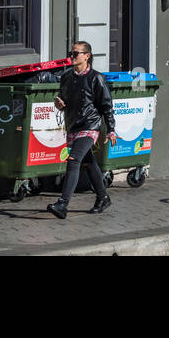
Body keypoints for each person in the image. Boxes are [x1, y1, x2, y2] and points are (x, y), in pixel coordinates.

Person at [47, 42, 117, 219]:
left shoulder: (96, 78)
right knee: (89, 162)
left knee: (74, 160)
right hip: (73, 125)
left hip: (90, 126)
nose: (72, 56)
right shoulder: (66, 77)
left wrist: (111, 130)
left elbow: (106, 106)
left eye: (76, 53)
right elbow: (63, 100)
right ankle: (103, 197)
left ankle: (63, 204)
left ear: (87, 56)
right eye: (71, 53)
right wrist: (60, 104)